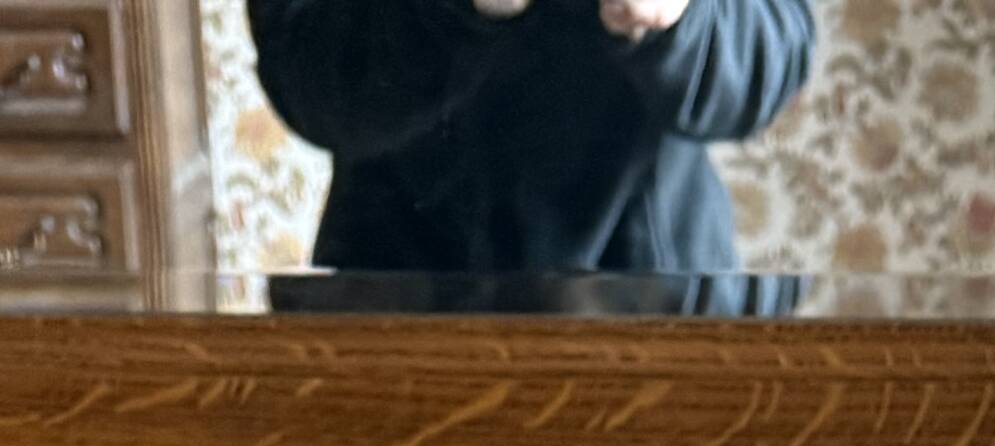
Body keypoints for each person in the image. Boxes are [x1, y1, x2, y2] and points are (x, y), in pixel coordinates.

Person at [248, 0, 816, 281]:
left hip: (656, 305)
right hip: (399, 312)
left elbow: (777, 56)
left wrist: (684, 16)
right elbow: (304, 78)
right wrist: (460, 10)